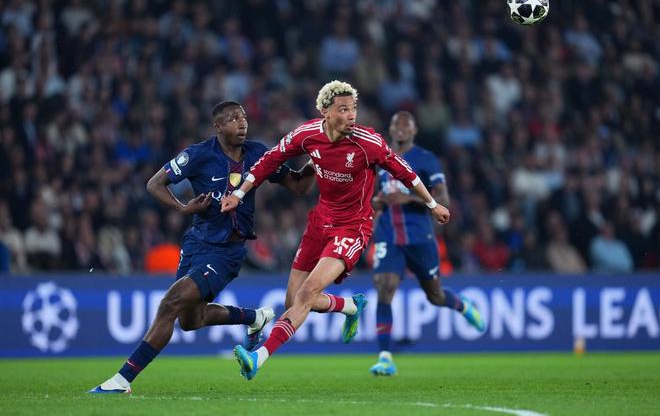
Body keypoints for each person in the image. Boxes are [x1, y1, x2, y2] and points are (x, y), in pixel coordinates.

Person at [221, 80, 451, 381]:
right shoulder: (306, 135)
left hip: (352, 227)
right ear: (325, 112)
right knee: (294, 301)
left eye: (353, 108)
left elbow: (406, 173)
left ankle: (258, 358)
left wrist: (432, 204)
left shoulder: (369, 142)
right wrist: (238, 194)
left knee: (307, 293)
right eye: (343, 109)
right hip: (320, 222)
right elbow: (268, 161)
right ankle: (349, 306)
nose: (351, 115)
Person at [89, 101, 315, 393]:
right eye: (233, 119)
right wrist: (183, 207)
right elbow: (154, 184)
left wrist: (318, 157)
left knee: (170, 304)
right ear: (217, 127)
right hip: (196, 243)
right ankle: (254, 317)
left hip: (227, 252)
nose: (241, 123)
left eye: (244, 118)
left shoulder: (259, 154)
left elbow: (299, 186)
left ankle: (122, 380)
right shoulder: (199, 155)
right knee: (190, 320)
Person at [368, 111, 486, 376]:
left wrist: (409, 199)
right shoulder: (379, 157)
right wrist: (376, 202)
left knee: (435, 295)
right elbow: (374, 194)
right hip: (389, 235)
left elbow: (443, 199)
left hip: (419, 236)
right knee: (385, 286)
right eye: (396, 124)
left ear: (414, 130)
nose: (400, 128)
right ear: (391, 129)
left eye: (406, 125)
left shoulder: (426, 159)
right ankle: (385, 357)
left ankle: (462, 305)